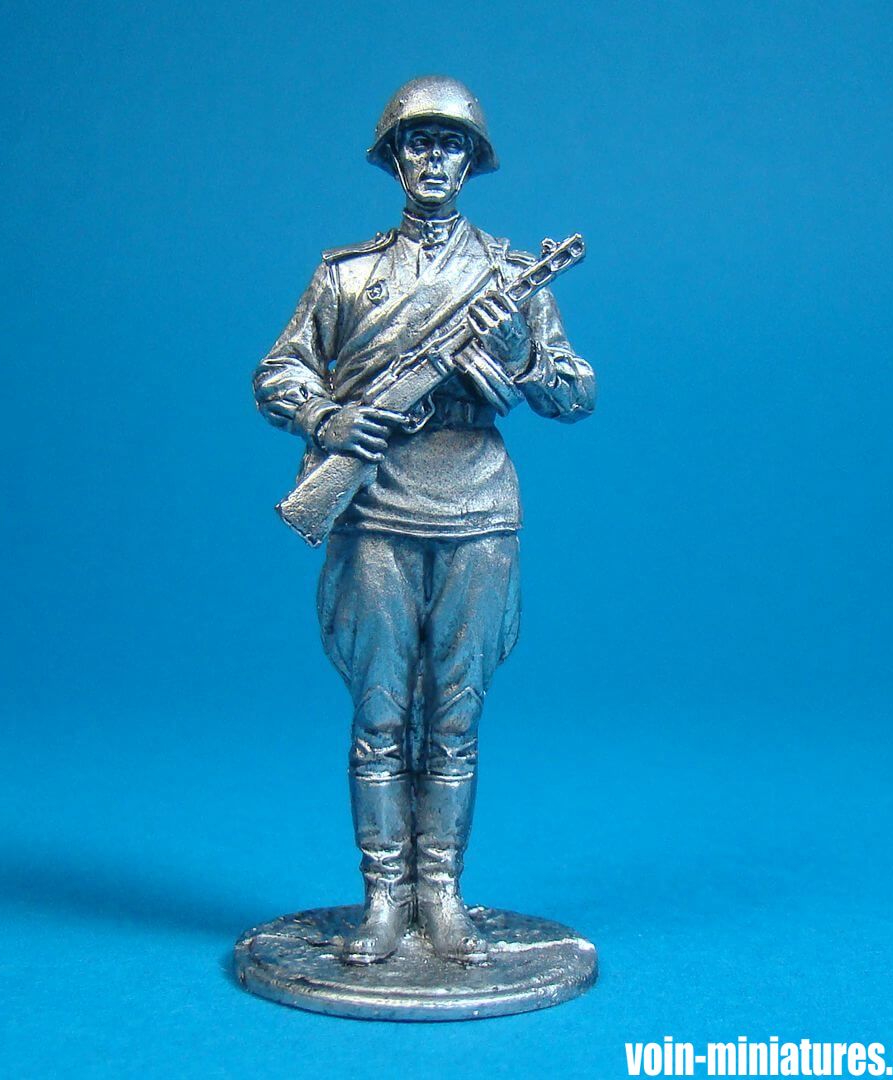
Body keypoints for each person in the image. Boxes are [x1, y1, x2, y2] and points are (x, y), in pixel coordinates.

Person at [252, 76, 595, 965]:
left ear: (473, 162)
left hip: (477, 506)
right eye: (418, 142)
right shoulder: (346, 274)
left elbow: (573, 391)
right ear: (393, 157)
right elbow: (280, 373)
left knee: (455, 717)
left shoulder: (510, 278)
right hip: (372, 506)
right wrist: (327, 420)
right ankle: (382, 902)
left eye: (451, 144)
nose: (434, 158)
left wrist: (517, 360)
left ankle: (439, 895)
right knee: (378, 714)